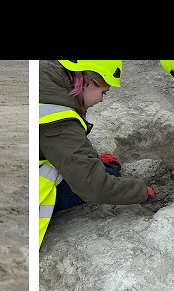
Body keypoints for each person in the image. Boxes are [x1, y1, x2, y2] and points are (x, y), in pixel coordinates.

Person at [39, 60, 154, 249]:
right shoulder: (58, 119)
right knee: (111, 175)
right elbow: (93, 186)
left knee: (105, 169)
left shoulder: (46, 77)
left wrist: (94, 160)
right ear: (89, 80)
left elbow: (57, 146)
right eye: (104, 92)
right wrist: (141, 191)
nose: (101, 100)